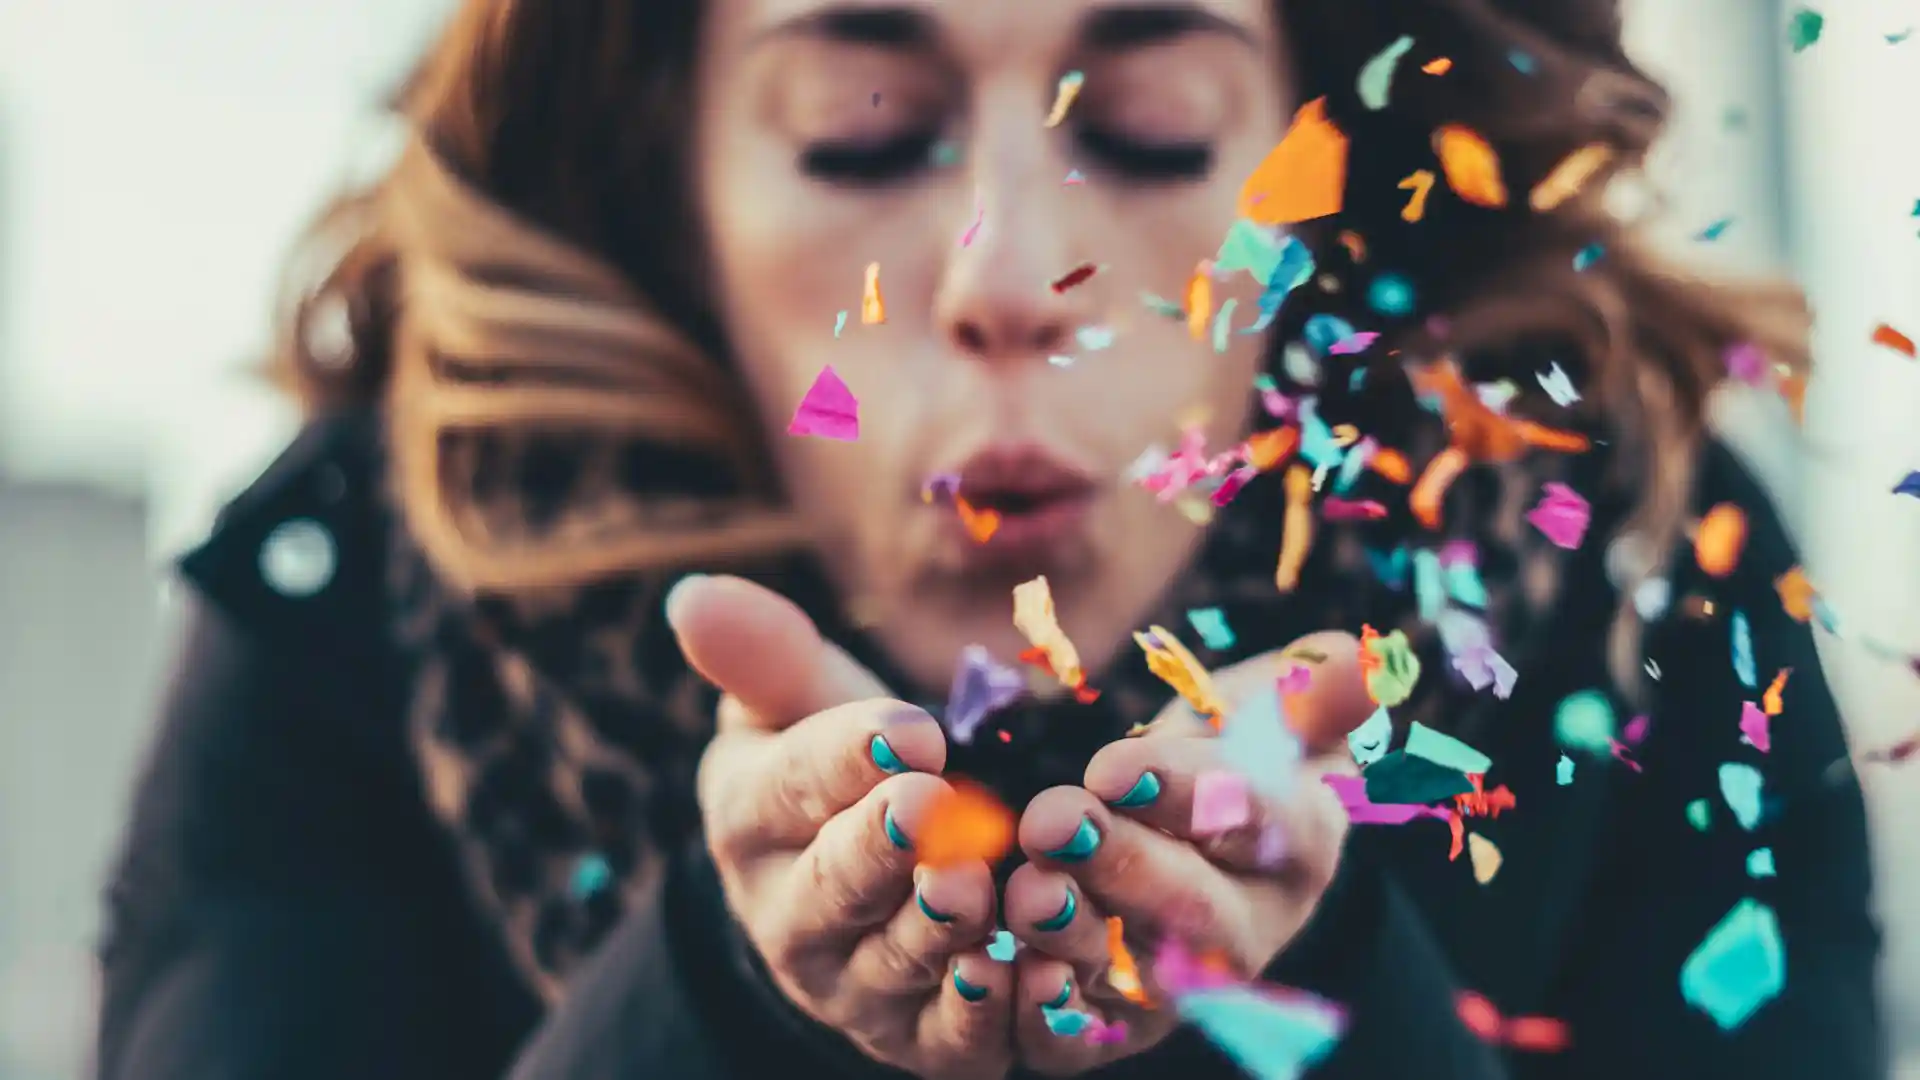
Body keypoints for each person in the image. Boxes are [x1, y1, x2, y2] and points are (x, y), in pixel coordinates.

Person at [95, 0, 1887, 1077]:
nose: (1009, 278)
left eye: (1151, 126)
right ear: (678, 179)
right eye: (862, 134)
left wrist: (1316, 1003)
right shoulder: (379, 582)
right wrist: (721, 1011)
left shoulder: (1647, 570)